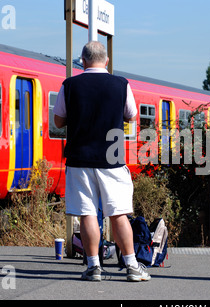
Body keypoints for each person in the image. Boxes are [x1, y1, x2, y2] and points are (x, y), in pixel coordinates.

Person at [53, 41, 150, 282]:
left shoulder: (70, 85)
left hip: (79, 158)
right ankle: (132, 266)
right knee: (118, 214)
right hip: (112, 157)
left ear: (82, 61)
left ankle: (94, 267)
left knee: (86, 213)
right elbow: (132, 115)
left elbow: (58, 121)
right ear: (106, 61)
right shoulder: (121, 84)